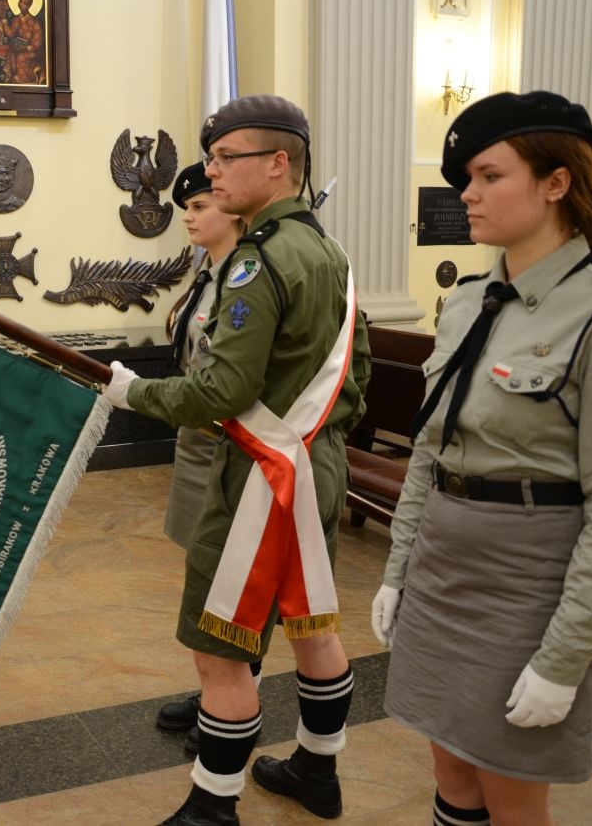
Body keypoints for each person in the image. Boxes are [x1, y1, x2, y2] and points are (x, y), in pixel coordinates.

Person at [371, 91, 592, 826]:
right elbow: (430, 449)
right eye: (467, 178)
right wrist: (400, 569)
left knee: (512, 792)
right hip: (442, 566)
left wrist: (566, 656)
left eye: (489, 176)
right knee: (451, 770)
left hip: (527, 585)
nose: (467, 194)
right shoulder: (469, 302)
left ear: (556, 182)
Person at [103, 94, 371, 825]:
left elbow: (222, 390)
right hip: (315, 465)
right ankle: (317, 770)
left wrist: (133, 393)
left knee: (220, 651)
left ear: (278, 163)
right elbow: (359, 373)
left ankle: (212, 807)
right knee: (312, 626)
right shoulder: (332, 253)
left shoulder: (261, 259)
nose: (212, 172)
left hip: (260, 477)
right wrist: (316, 442)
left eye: (226, 158)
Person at [153, 162, 265, 757]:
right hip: (195, 441)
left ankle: (233, 696)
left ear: (233, 209)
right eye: (187, 209)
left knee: (231, 581)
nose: (189, 218)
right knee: (205, 573)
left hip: (232, 447)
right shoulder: (209, 275)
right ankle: (214, 689)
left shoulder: (248, 278)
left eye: (199, 206)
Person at [3, 0, 44, 84]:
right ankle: (12, 80)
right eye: (20, 2)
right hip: (16, 48)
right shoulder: (16, 19)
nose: (22, 5)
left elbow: (37, 43)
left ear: (29, 5)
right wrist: (5, 24)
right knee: (10, 54)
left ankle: (25, 82)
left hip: (29, 50)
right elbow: (11, 34)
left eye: (25, 3)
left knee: (21, 58)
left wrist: (25, 48)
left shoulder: (35, 22)